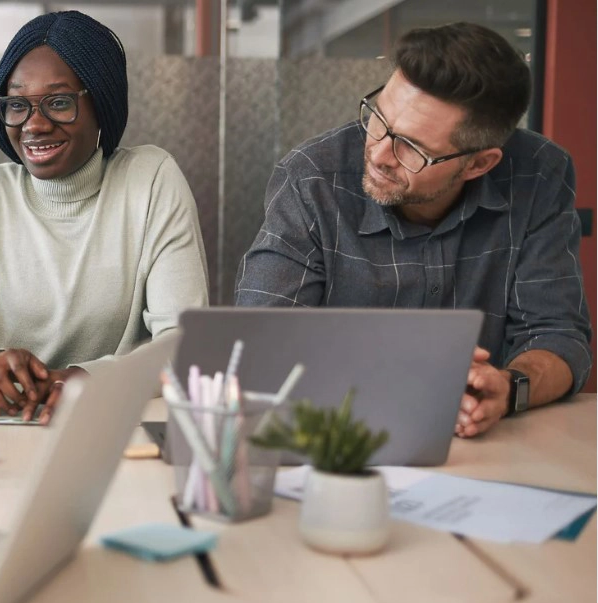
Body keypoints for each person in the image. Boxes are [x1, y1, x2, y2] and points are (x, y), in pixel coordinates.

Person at [235, 22, 592, 438]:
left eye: (413, 148)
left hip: (482, 445)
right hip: (337, 436)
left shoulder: (539, 175)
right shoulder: (312, 178)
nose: (379, 153)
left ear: (479, 164)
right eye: (379, 119)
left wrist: (509, 388)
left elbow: (558, 336)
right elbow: (259, 341)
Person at [0, 10, 209, 424]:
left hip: (110, 430)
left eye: (59, 103)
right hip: (0, 435)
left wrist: (86, 380)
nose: (35, 125)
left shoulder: (150, 182)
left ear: (101, 103)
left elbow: (186, 347)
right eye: (18, 105)